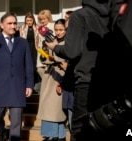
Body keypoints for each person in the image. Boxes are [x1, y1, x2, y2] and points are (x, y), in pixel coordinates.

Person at [45, 0, 112, 141]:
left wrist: (55, 47)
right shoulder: (116, 13)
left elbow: (72, 52)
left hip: (86, 81)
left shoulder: (79, 16)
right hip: (111, 80)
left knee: (80, 129)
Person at [0, 12, 34, 141]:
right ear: (2, 25)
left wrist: (29, 84)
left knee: (16, 120)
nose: (13, 26)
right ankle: (1, 133)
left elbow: (28, 65)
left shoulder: (22, 42)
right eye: (9, 23)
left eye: (15, 23)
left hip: (17, 86)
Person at [37, 19, 68, 141]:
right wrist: (43, 52)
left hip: (60, 76)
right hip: (49, 76)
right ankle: (54, 135)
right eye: (56, 30)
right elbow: (46, 58)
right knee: (49, 110)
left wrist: (54, 54)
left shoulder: (68, 43)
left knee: (55, 112)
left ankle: (56, 136)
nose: (58, 32)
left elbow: (65, 59)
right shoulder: (51, 40)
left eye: (61, 30)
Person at [19, 11, 40, 92]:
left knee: (33, 67)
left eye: (30, 20)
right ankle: (25, 85)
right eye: (27, 20)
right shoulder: (22, 28)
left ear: (33, 20)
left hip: (34, 49)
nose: (29, 22)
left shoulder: (37, 28)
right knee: (25, 66)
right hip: (25, 48)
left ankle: (32, 85)